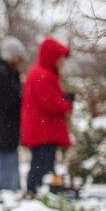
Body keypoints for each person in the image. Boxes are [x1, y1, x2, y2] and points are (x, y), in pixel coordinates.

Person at [21, 37, 73, 197]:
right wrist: (67, 102)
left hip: (41, 129)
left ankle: (37, 192)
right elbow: (51, 103)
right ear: (53, 58)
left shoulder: (40, 73)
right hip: (43, 130)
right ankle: (37, 193)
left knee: (41, 163)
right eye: (60, 60)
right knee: (42, 164)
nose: (61, 64)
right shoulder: (41, 74)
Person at [0, 36, 25, 191]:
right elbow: (6, 102)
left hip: (7, 129)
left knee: (9, 162)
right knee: (7, 168)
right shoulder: (1, 74)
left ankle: (10, 190)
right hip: (5, 130)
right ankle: (8, 192)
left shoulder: (6, 72)